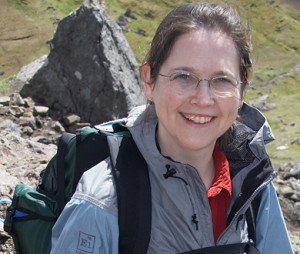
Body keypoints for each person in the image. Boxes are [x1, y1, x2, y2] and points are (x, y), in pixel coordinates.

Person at [50, 2, 294, 253]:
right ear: (149, 81)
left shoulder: (253, 187)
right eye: (183, 77)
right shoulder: (101, 203)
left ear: (241, 90)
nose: (202, 99)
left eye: (222, 80)